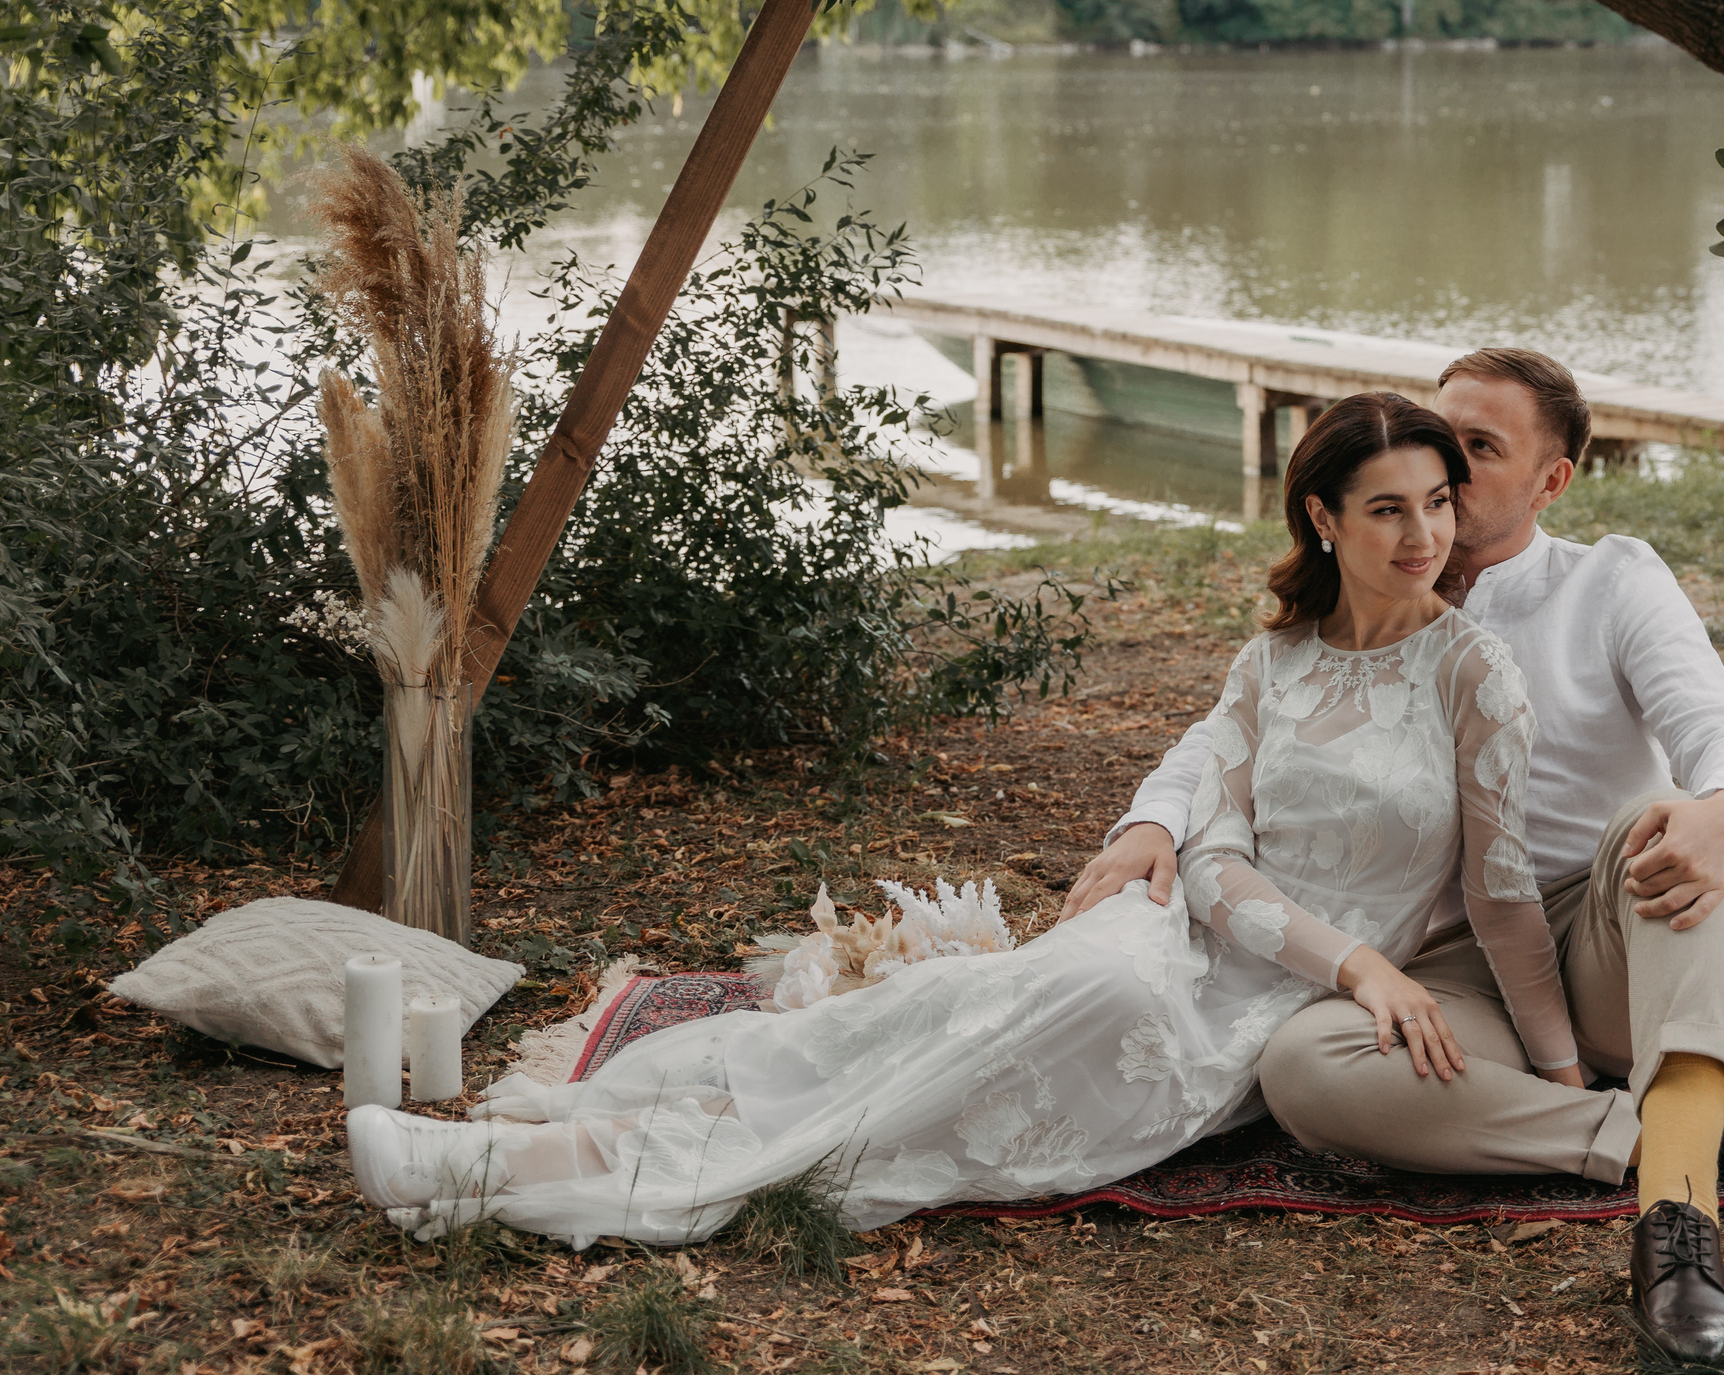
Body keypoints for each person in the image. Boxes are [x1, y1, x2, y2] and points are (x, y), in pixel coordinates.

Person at [344, 393, 1573, 1255]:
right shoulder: (1274, 663)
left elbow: (1504, 894)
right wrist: (1356, 965)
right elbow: (1213, 857)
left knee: (952, 1089)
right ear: (1323, 519)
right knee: (954, 1012)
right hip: (1189, 935)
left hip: (1265, 1009)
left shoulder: (1475, 675)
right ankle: (528, 1154)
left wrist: (1566, 1067)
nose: (1424, 536)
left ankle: (505, 1171)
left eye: (1437, 504)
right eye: (1387, 510)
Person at [1062, 349, 1724, 1373]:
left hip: (1606, 930)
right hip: (1452, 961)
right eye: (1443, 436)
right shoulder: (1374, 580)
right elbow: (1238, 730)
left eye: (1480, 449)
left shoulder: (1609, 580)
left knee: (1666, 826)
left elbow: (1720, 727)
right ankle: (1667, 1127)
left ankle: (1679, 1232)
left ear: (1551, 480)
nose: (1445, 470)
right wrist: (1153, 823)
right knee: (1302, 1068)